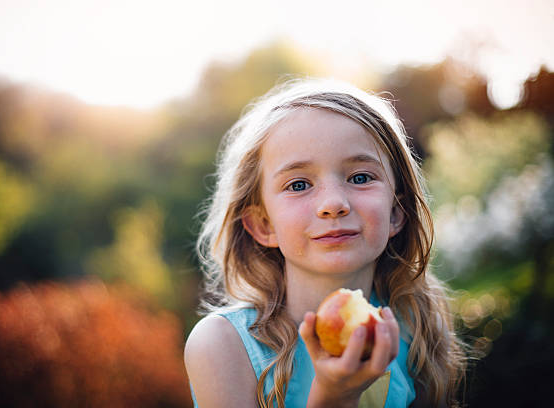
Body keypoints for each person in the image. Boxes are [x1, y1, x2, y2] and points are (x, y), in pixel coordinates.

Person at [184, 77, 466, 407]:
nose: (333, 203)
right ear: (263, 225)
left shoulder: (414, 328)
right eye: (299, 184)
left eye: (360, 177)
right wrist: (334, 398)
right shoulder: (222, 345)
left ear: (396, 212)